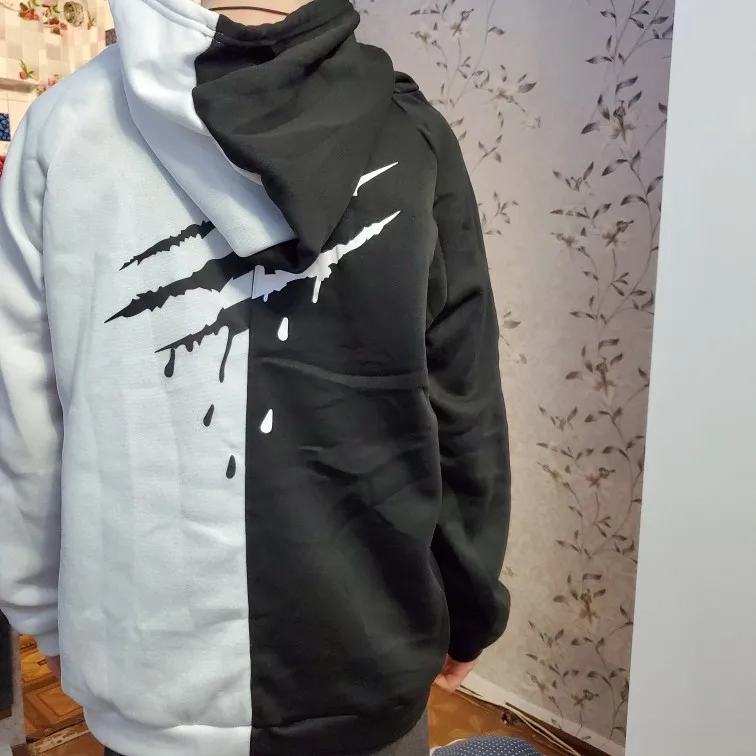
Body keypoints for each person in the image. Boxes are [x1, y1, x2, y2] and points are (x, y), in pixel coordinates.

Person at [0, 0, 511, 754]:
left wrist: (41, 611)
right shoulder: (411, 133)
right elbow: (463, 401)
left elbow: (23, 410)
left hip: (147, 665)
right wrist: (469, 604)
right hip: (366, 654)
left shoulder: (64, 126)